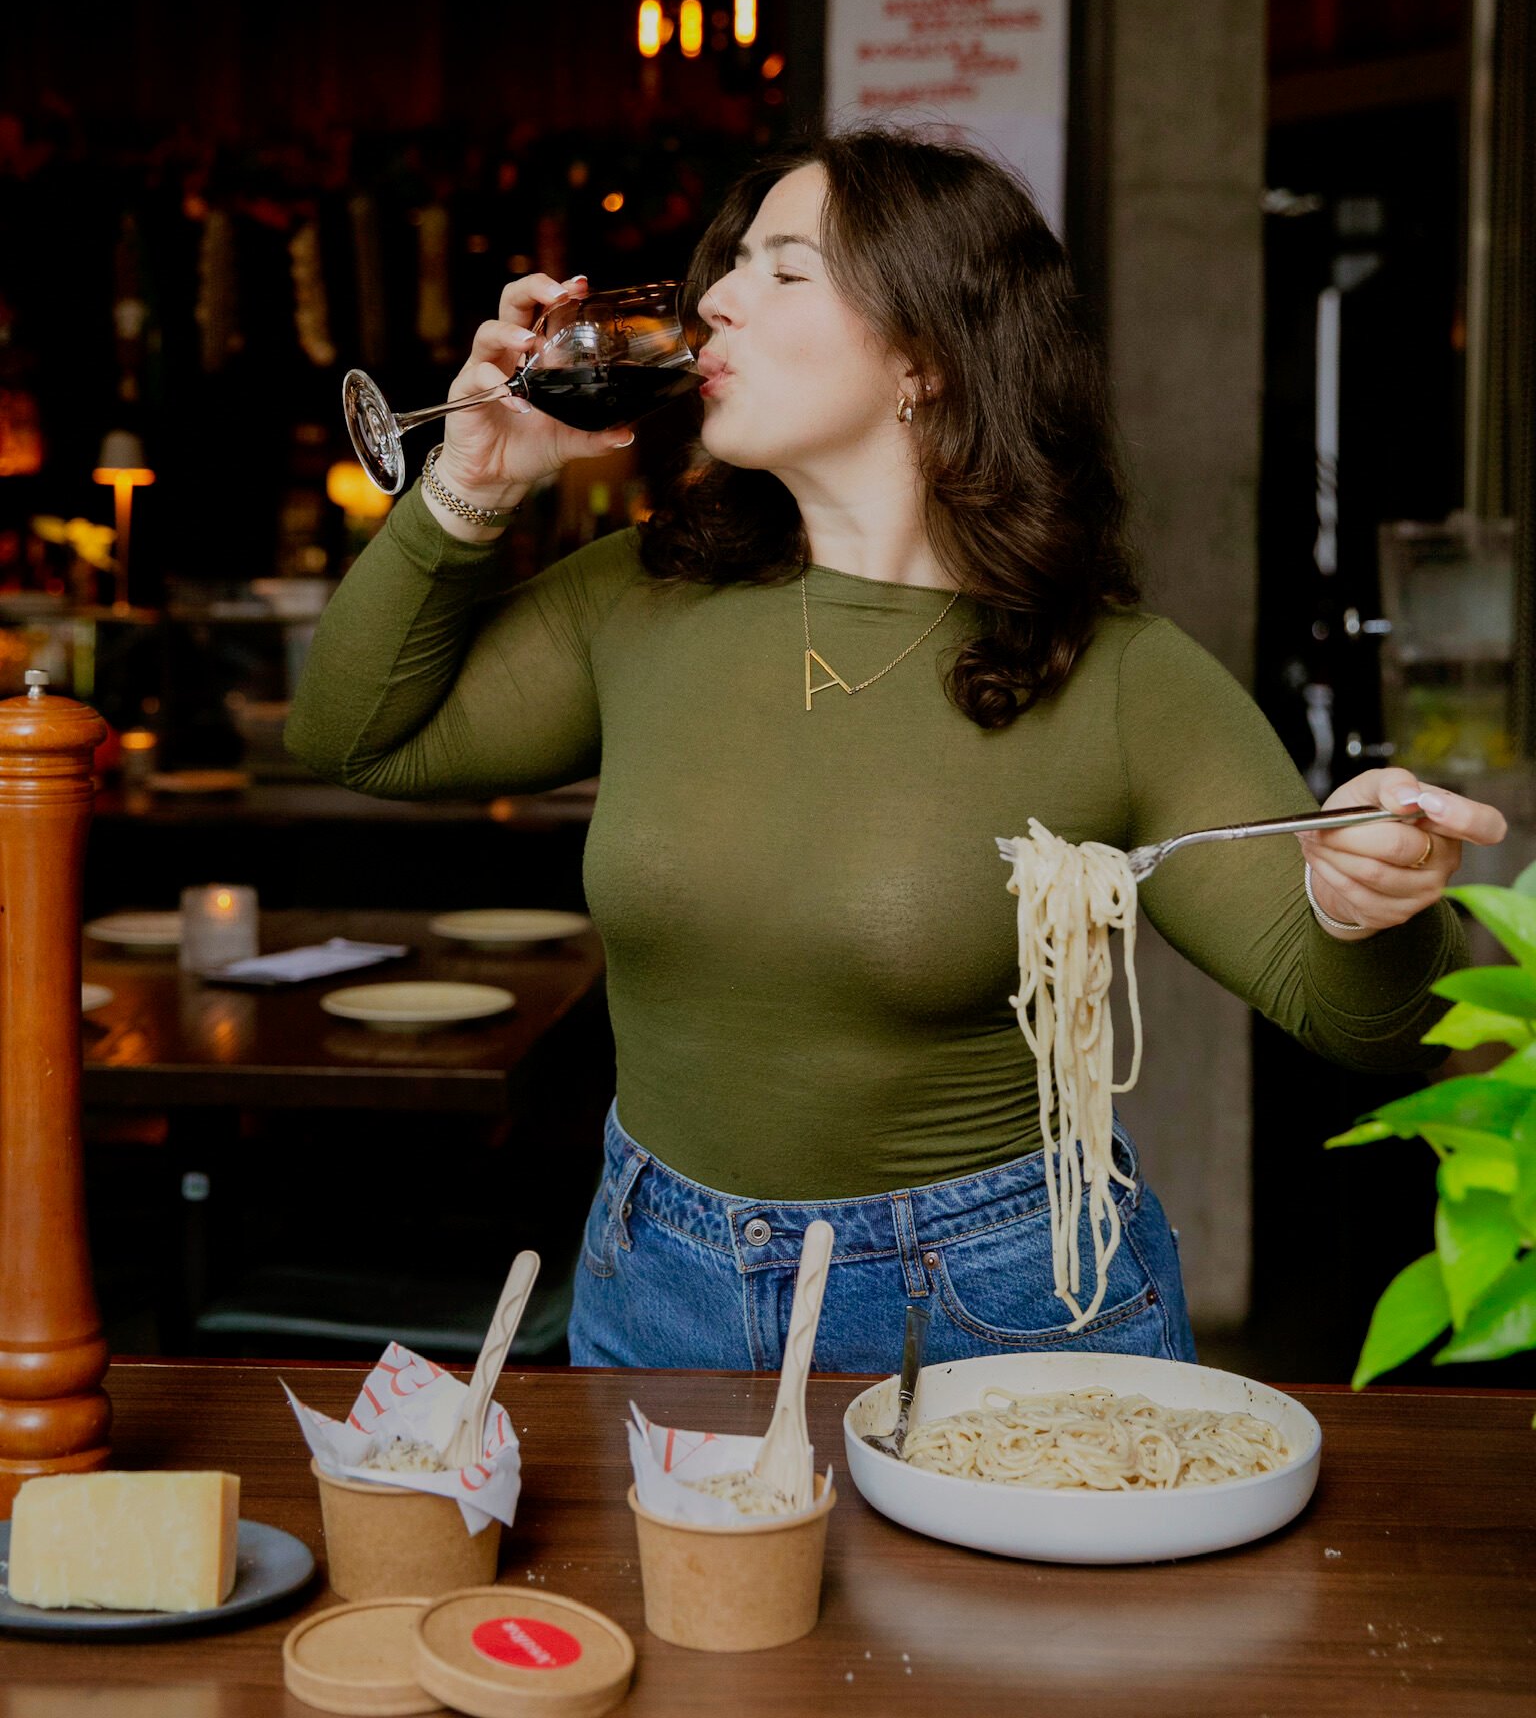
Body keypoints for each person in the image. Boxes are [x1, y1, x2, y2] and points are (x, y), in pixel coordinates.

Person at [287, 128, 1506, 1374]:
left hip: (996, 1307)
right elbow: (355, 739)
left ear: (924, 353)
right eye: (729, 266)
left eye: (784, 269)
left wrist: (1378, 903)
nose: (713, 298)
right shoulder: (642, 596)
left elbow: (1371, 1027)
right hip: (655, 1285)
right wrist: (471, 483)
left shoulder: (1120, 675)